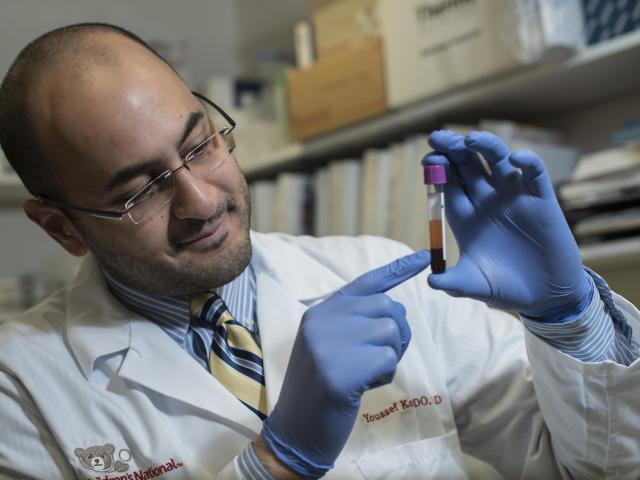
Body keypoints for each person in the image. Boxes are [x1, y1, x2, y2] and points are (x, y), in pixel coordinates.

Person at [0, 22, 638, 480]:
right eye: (140, 189)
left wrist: (570, 319)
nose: (200, 200)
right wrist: (277, 462)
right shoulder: (21, 389)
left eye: (200, 146)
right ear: (62, 227)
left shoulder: (380, 273)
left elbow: (595, 468)